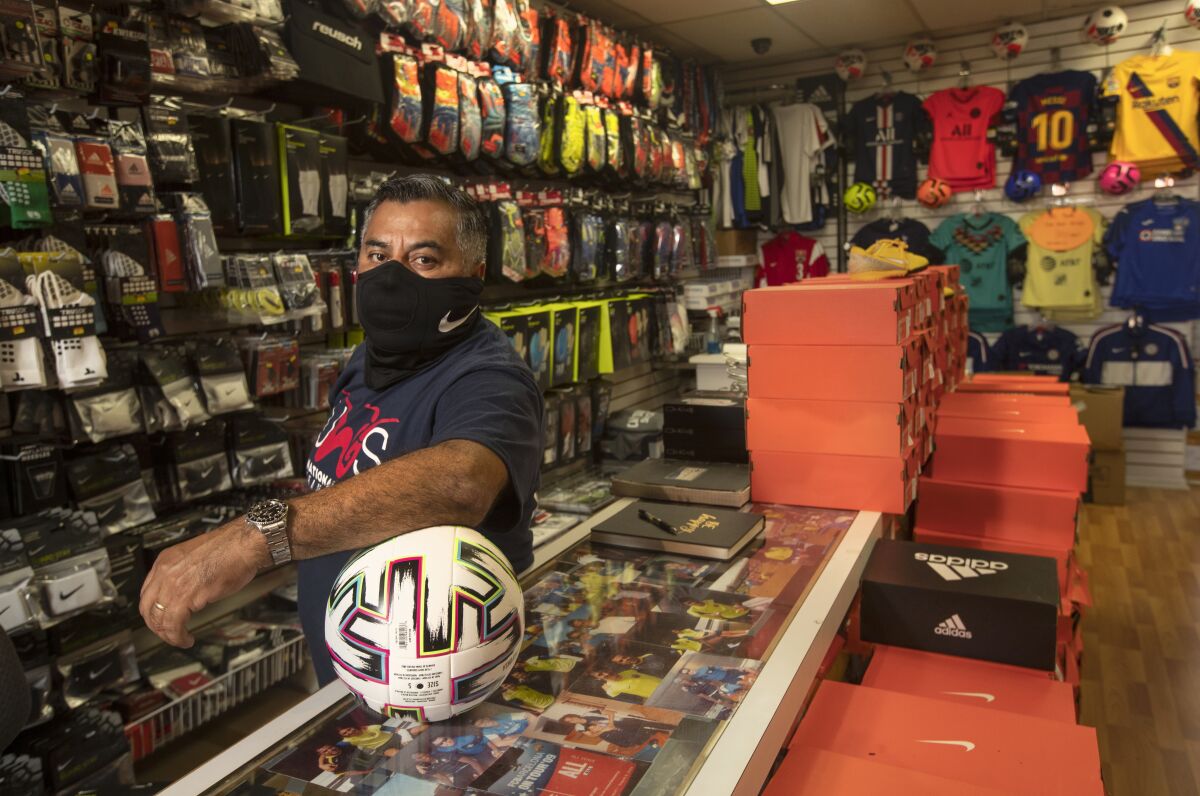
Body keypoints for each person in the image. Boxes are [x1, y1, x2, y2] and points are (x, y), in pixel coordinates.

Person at [137, 177, 544, 685]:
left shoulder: (489, 377)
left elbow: (461, 482)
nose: (392, 277)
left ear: (473, 275)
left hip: (448, 694)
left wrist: (252, 538)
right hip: (357, 680)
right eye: (378, 254)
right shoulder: (366, 360)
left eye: (423, 259)